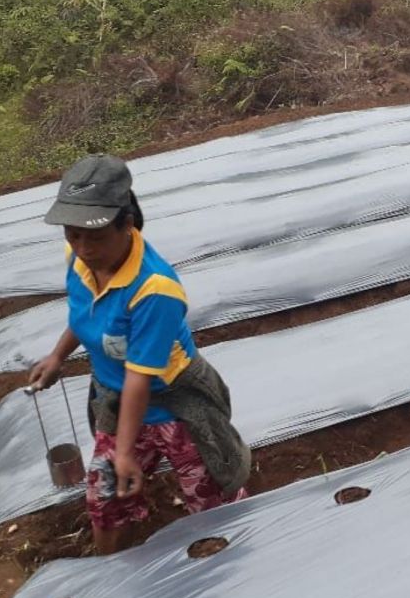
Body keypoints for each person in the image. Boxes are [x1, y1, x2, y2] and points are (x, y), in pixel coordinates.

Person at [28, 154, 250, 554]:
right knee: (105, 500)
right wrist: (58, 357)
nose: (81, 248)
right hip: (118, 399)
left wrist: (126, 451)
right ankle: (110, 576)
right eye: (72, 234)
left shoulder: (155, 290)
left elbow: (140, 377)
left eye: (94, 237)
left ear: (126, 225)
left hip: (175, 403)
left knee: (209, 498)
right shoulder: (79, 260)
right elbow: (85, 313)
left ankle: (233, 564)